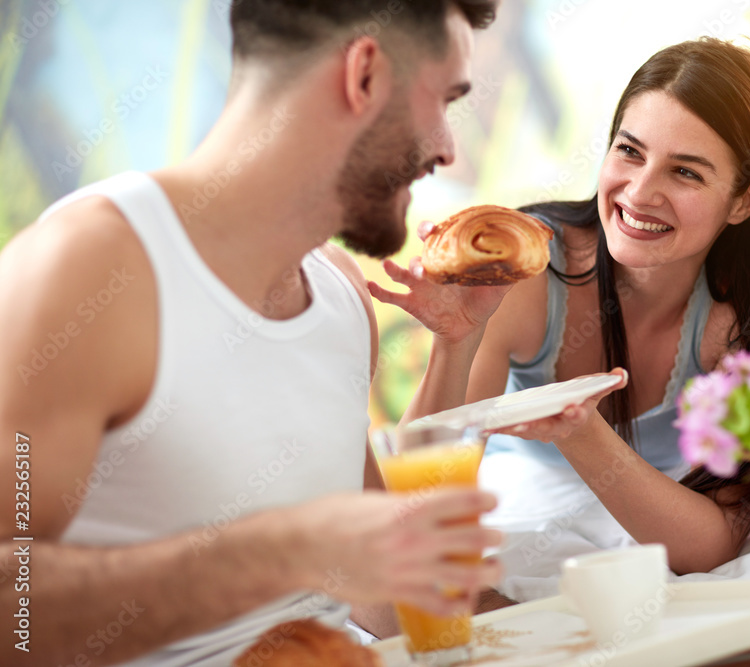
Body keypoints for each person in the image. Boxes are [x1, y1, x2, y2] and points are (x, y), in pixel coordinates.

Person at [0, 1, 503, 664]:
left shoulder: (339, 292)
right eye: (443, 99)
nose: (446, 146)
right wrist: (278, 550)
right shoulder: (85, 270)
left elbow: (378, 599)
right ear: (364, 75)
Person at [374, 37, 750, 665]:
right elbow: (418, 506)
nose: (639, 192)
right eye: (629, 151)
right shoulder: (527, 275)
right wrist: (455, 344)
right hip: (523, 491)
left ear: (744, 201)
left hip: (649, 497)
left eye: (685, 171)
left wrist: (580, 431)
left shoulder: (737, 328)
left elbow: (712, 546)